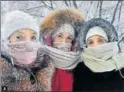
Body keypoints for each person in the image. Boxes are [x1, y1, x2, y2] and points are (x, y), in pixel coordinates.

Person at [36, 8, 84, 91]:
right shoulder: (39, 63)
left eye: (69, 38)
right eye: (59, 36)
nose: (64, 41)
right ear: (51, 38)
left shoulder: (80, 64)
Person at [73, 18, 124, 92]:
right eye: (90, 42)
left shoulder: (121, 67)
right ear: (85, 45)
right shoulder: (79, 71)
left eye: (100, 40)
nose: (96, 46)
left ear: (109, 41)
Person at [1, 10, 44, 91]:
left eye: (33, 38)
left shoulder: (45, 70)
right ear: (7, 40)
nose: (28, 43)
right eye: (19, 37)